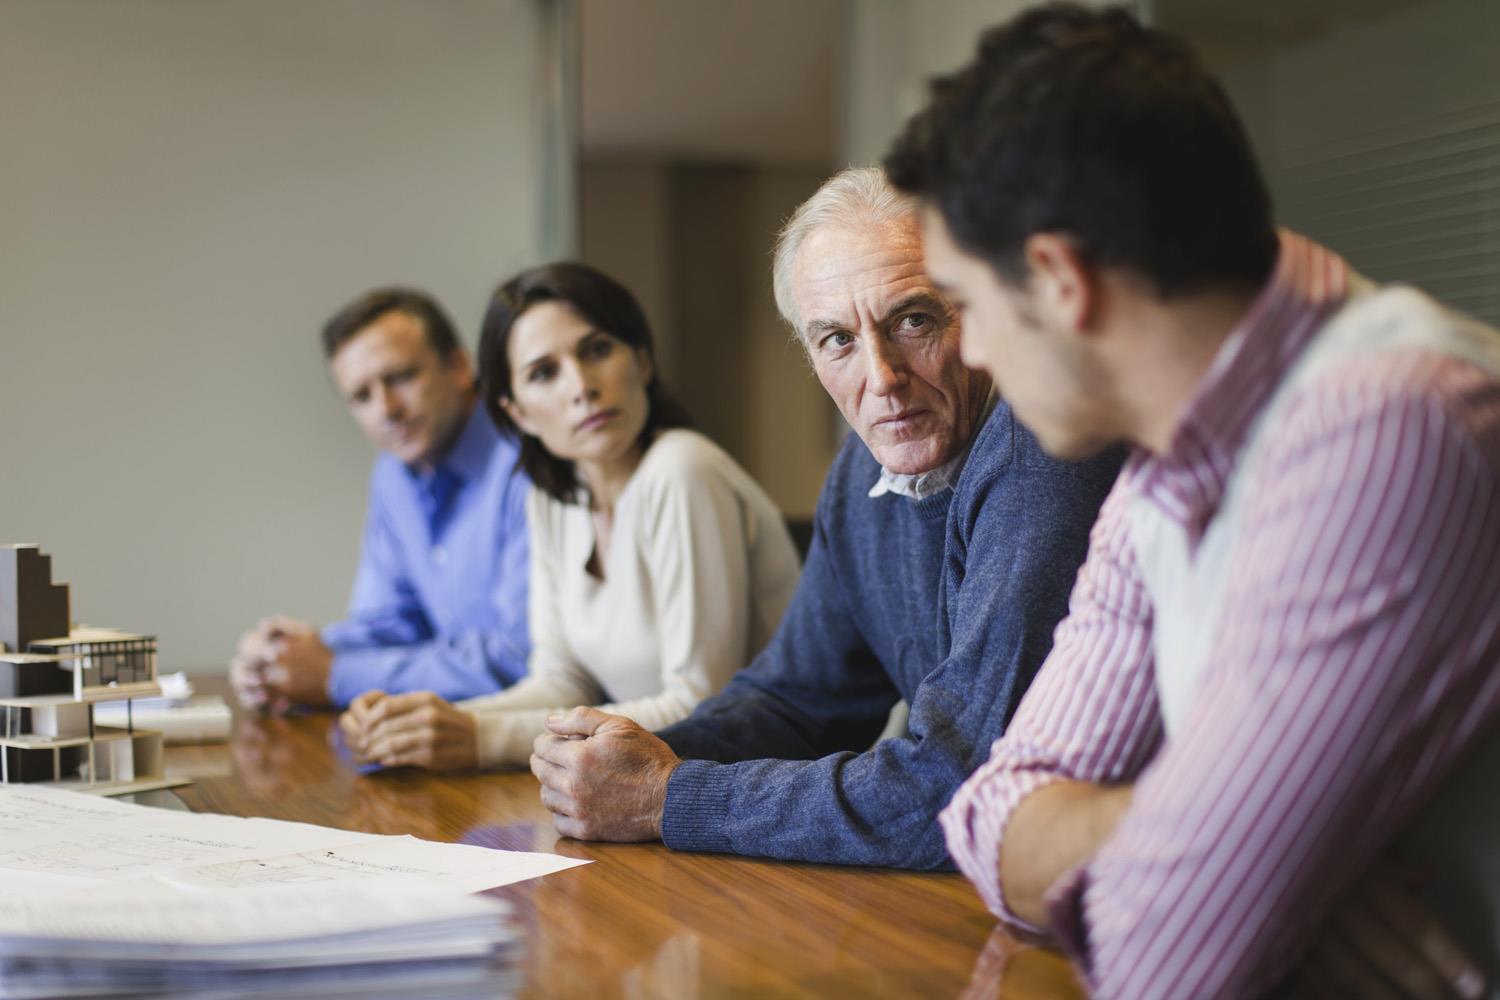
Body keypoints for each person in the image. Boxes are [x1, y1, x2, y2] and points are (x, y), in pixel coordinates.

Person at [884, 4, 1500, 996]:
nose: (971, 352)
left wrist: (1214, 858)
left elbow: (1163, 954)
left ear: (1058, 279)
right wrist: (1208, 833)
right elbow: (988, 815)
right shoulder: (1167, 464)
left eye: (963, 306)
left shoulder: (1391, 424)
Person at [527, 167, 1122, 869]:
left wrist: (667, 796)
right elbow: (796, 701)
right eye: (837, 339)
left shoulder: (1040, 452)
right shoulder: (867, 465)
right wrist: (630, 759)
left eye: (913, 320)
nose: (882, 377)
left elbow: (955, 786)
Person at [338, 263, 801, 771]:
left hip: (760, 786)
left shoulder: (682, 468)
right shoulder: (554, 497)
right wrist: (428, 721)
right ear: (517, 413)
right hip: (657, 785)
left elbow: (700, 705)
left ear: (642, 361)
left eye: (597, 350)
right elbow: (560, 681)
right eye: (544, 373)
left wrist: (477, 736)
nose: (581, 386)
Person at [229, 289, 531, 713]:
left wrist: (333, 674)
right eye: (362, 397)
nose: (386, 410)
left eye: (401, 378)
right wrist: (283, 658)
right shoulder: (393, 473)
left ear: (461, 367)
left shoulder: (527, 460)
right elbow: (390, 625)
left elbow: (520, 659)